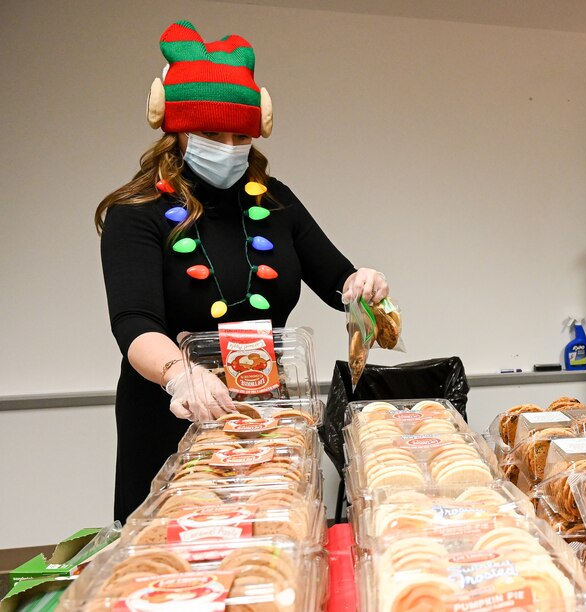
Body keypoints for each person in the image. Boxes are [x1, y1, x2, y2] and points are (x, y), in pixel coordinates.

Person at [96, 20, 388, 521]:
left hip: (266, 412)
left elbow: (336, 279)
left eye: (239, 135)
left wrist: (361, 285)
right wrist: (178, 374)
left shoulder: (276, 203)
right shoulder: (136, 211)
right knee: (177, 553)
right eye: (211, 132)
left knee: (269, 549)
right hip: (174, 419)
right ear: (177, 130)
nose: (228, 145)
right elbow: (134, 323)